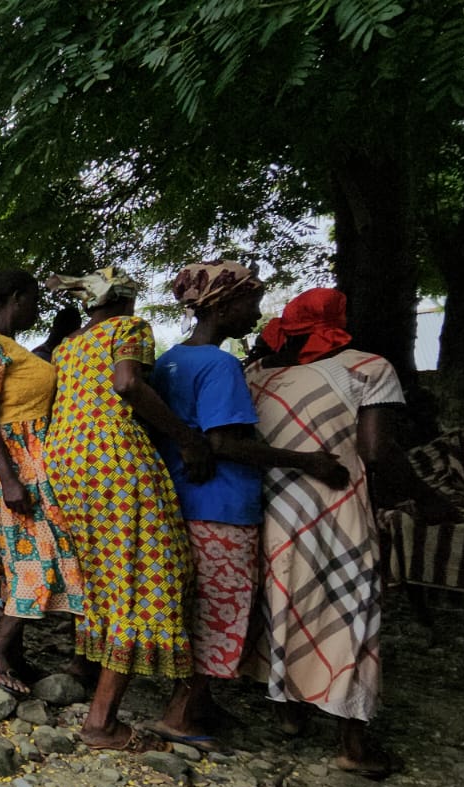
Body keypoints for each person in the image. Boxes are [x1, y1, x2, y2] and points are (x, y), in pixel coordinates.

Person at [245, 287, 447, 777]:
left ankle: (289, 710)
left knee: (281, 603)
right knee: (350, 609)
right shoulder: (367, 369)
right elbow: (376, 452)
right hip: (335, 508)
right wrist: (425, 496)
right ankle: (353, 745)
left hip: (272, 508)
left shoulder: (257, 375)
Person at [148, 263, 350, 752]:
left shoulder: (171, 360)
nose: (257, 315)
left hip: (184, 500)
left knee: (200, 607)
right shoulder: (220, 365)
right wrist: (308, 462)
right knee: (222, 611)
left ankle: (200, 704)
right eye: (250, 304)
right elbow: (225, 443)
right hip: (223, 504)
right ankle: (180, 715)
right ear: (223, 306)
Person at [44, 266, 212, 751]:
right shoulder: (129, 328)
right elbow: (127, 384)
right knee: (149, 574)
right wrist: (185, 437)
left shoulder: (67, 346)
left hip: (66, 462)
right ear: (123, 300)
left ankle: (88, 669)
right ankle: (102, 721)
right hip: (115, 457)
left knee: (101, 573)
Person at [0, 269, 86, 693]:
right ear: (16, 297)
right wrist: (9, 478)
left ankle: (13, 655)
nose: (37, 309)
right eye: (34, 301)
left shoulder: (11, 346)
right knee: (41, 554)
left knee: (22, 559)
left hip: (27, 462)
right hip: (9, 465)